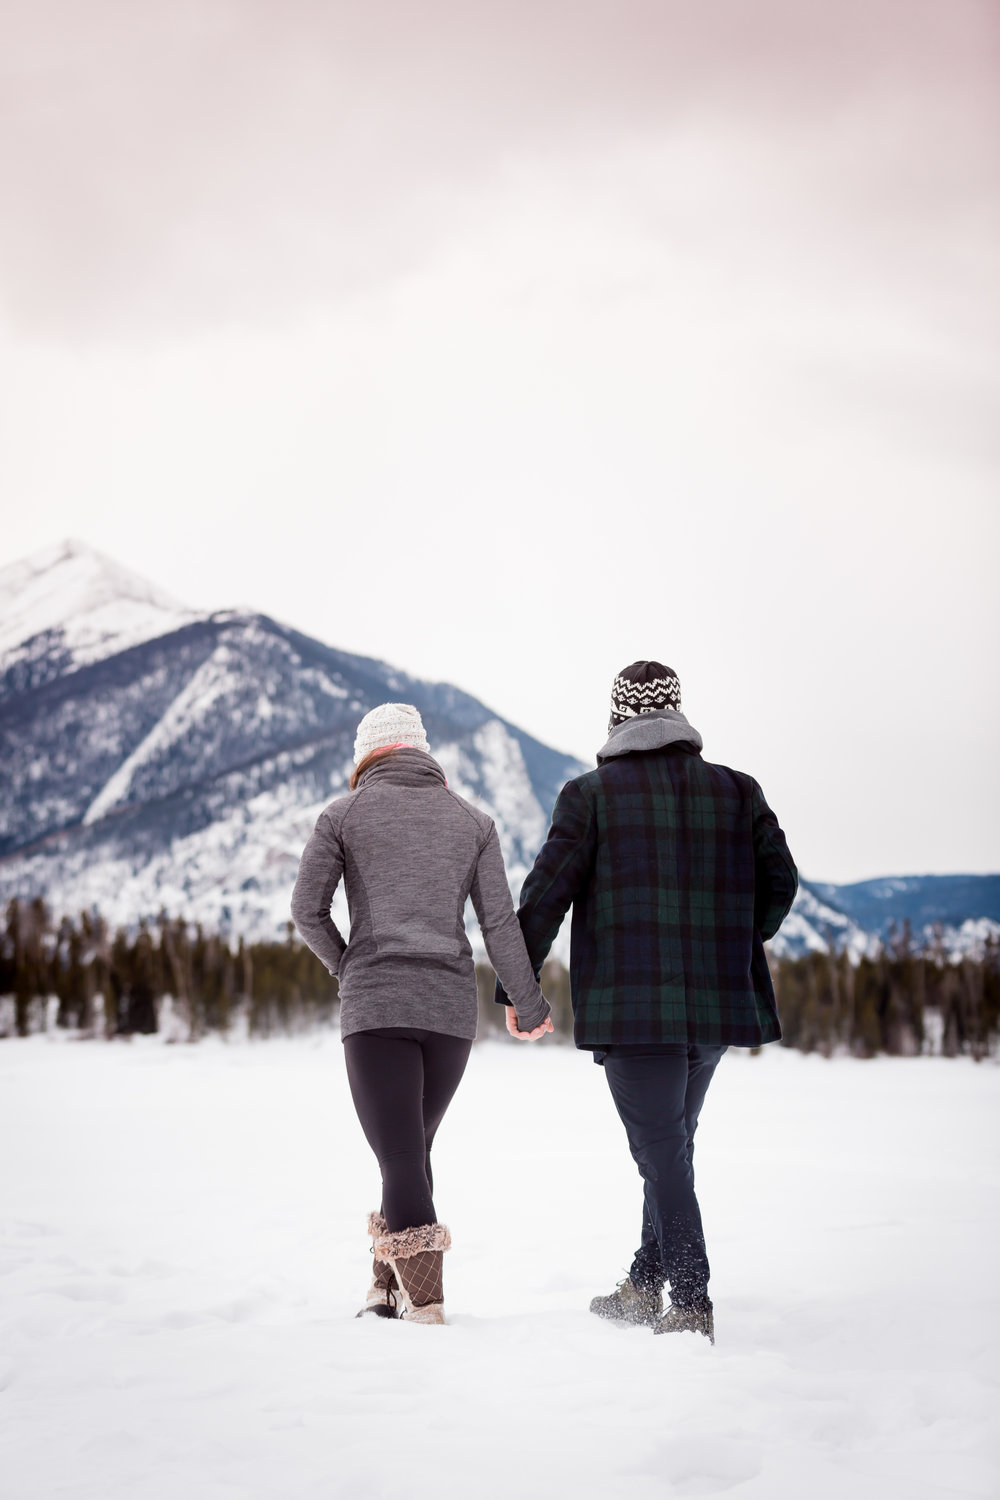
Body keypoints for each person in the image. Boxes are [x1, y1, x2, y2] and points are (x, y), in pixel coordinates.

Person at [496, 661, 797, 1343]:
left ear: (618, 719)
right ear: (677, 714)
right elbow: (781, 881)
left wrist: (519, 986)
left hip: (634, 1012)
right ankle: (643, 1284)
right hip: (717, 1006)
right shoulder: (738, 791)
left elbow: (544, 897)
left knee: (662, 1154)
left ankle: (689, 1302)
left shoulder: (590, 795)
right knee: (670, 1149)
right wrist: (736, 941)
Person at [291, 702, 552, 1326]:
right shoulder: (474, 822)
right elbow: (498, 924)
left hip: (376, 1007)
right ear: (421, 752)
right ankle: (385, 1293)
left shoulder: (342, 815)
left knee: (402, 1155)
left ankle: (426, 1309)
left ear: (367, 756)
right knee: (409, 1151)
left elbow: (307, 910)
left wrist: (347, 963)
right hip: (449, 1015)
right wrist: (527, 1001)